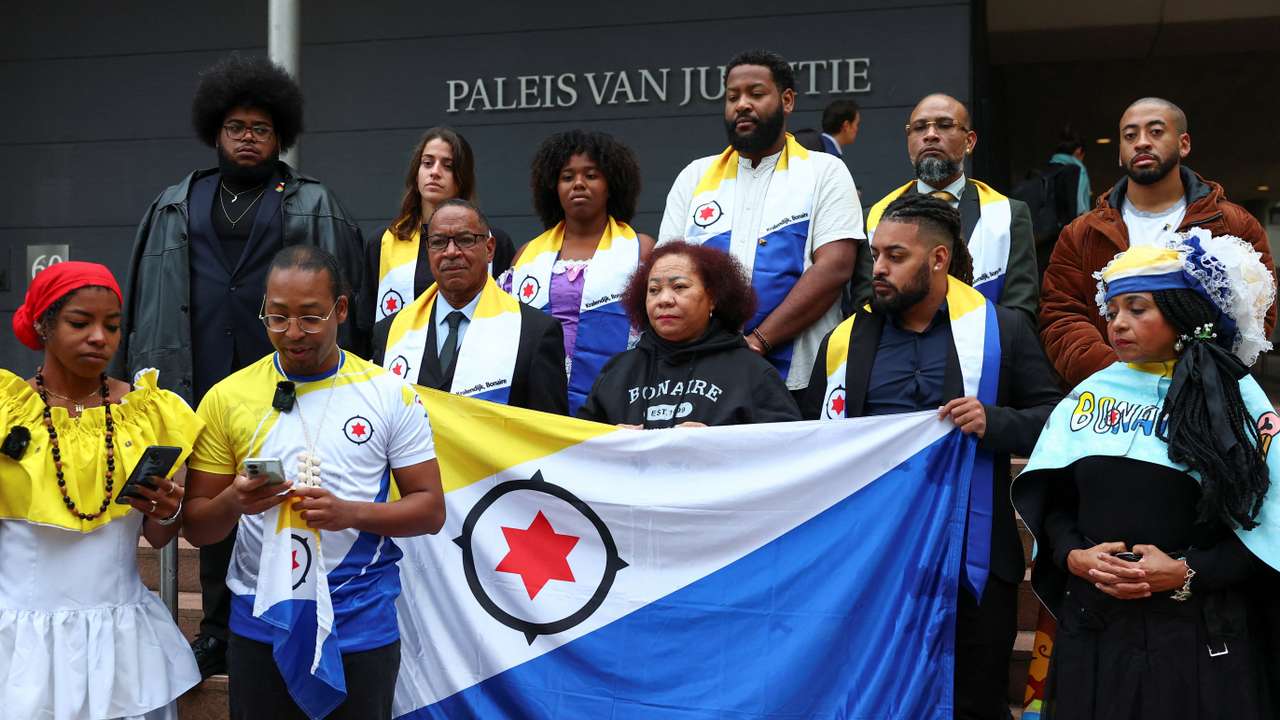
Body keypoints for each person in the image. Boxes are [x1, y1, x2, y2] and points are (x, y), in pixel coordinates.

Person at [112, 52, 369, 677]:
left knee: (285, 494)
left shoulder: (312, 202)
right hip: (195, 375)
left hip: (285, 379)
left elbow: (350, 306)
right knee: (211, 496)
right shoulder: (175, 203)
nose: (248, 138)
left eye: (260, 128)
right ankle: (219, 630)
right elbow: (142, 293)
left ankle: (299, 615)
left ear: (280, 134)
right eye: (236, 127)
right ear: (215, 132)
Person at [800, 194, 1062, 719]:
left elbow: (1057, 422)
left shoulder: (1001, 328)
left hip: (975, 562)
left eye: (895, 256)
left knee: (975, 701)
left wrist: (996, 422)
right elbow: (806, 441)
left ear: (938, 260)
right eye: (876, 255)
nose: (878, 269)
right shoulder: (843, 340)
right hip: (873, 558)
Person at [1013, 229, 1280, 718]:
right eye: (1113, 311)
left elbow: (1268, 530)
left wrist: (1185, 572)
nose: (1118, 323)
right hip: (1096, 634)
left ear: (1183, 314)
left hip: (1198, 642)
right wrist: (1074, 555)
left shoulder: (1235, 400)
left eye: (1138, 309)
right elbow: (1055, 503)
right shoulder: (1089, 393)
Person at [183, 246, 444, 720]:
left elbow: (430, 510)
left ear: (341, 310)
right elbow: (198, 529)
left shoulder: (389, 394)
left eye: (310, 317)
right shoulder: (227, 397)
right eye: (277, 318)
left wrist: (351, 513)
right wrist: (234, 500)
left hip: (359, 625)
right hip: (263, 623)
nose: (293, 334)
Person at [0, 262, 201, 720]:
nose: (99, 337)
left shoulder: (150, 412)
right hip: (18, 643)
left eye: (112, 326)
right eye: (79, 322)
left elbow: (161, 535)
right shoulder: (5, 411)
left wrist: (169, 511)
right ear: (43, 325)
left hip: (120, 641)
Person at [658, 49, 863, 399]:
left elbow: (835, 268)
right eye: (732, 97)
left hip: (800, 381)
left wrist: (758, 342)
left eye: (756, 94)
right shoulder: (694, 176)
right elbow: (666, 273)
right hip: (701, 376)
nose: (741, 105)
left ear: (787, 100)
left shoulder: (824, 171)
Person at [1040, 97, 1276, 387]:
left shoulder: (1232, 224)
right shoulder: (1081, 233)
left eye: (1155, 131)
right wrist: (1120, 377)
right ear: (1120, 152)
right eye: (1130, 135)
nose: (1141, 142)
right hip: (1108, 404)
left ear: (1184, 143)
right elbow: (1061, 317)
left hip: (1204, 398)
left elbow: (1257, 313)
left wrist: (1195, 373)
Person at [505, 129, 654, 414]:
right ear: (553, 187)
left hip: (619, 399)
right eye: (567, 177)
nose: (579, 184)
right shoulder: (526, 256)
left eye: (591, 175)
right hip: (539, 399)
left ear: (611, 184)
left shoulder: (640, 249)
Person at [373, 200, 569, 414]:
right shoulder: (391, 332)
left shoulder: (535, 333)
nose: (451, 252)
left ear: (490, 248)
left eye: (465, 240)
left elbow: (550, 437)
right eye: (438, 242)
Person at [858, 93, 1039, 322]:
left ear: (970, 142)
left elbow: (1021, 313)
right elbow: (865, 310)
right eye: (919, 127)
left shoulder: (1009, 215)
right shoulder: (874, 219)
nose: (930, 135)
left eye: (944, 125)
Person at [578, 241, 800, 427]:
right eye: (653, 290)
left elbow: (788, 452)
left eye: (680, 287)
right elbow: (578, 451)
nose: (664, 300)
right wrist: (608, 441)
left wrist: (720, 445)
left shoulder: (752, 372)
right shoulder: (618, 371)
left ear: (713, 298)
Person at [367, 127, 516, 323]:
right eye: (427, 163)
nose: (435, 172)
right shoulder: (384, 242)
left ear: (462, 178)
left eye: (447, 166)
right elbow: (365, 324)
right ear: (416, 172)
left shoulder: (491, 241)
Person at [792, 98, 861, 157]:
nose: (857, 129)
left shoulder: (813, 145)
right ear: (846, 125)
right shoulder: (827, 155)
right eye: (856, 124)